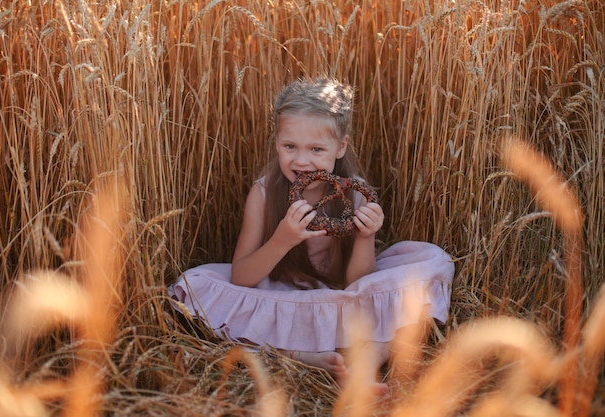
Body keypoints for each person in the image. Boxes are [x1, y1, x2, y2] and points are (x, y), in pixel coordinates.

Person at [169, 77, 454, 394]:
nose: (302, 161)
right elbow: (241, 277)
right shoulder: (264, 195)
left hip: (342, 292)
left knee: (433, 263)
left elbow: (358, 283)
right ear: (277, 141)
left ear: (340, 147)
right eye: (290, 146)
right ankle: (302, 355)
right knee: (197, 286)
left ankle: (365, 363)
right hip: (280, 293)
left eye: (316, 149)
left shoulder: (355, 194)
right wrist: (282, 240)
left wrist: (365, 237)